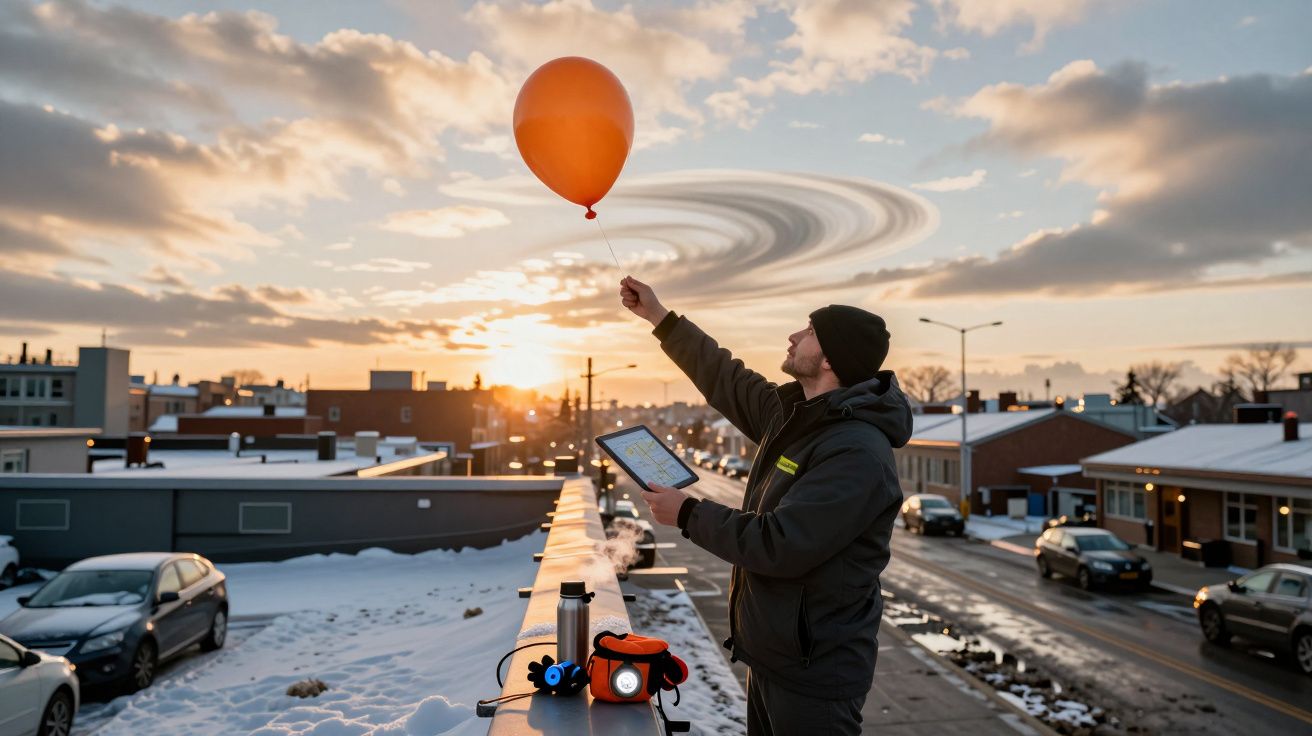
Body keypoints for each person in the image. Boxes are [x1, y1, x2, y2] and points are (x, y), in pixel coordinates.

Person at [618, 276, 913, 735]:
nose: (793, 336)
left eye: (809, 331)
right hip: (774, 657)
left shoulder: (856, 452)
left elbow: (781, 543)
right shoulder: (796, 416)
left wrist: (688, 513)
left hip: (815, 673)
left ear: (830, 359)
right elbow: (724, 377)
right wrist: (659, 317)